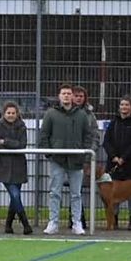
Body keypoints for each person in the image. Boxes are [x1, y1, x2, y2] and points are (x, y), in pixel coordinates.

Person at [38, 83, 93, 236]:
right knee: (54, 192)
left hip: (76, 160)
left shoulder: (81, 115)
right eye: (64, 93)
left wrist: (84, 155)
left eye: (69, 93)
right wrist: (49, 153)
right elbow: (44, 135)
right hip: (57, 160)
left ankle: (77, 223)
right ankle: (53, 222)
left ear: (73, 96)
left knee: (76, 194)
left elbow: (88, 136)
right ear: (59, 96)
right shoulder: (51, 114)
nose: (67, 96)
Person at [102, 96, 131, 230]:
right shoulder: (113, 123)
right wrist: (114, 156)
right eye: (122, 105)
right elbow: (106, 142)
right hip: (114, 164)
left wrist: (124, 158)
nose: (124, 107)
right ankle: (114, 219)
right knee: (113, 193)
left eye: (127, 105)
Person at [0, 101, 32, 235]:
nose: (11, 115)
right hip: (3, 165)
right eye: (8, 113)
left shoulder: (22, 126)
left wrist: (6, 142)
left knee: (15, 196)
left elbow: (22, 145)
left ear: (17, 114)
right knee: (15, 194)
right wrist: (9, 144)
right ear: (4, 113)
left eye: (13, 113)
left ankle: (8, 225)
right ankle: (25, 223)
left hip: (18, 165)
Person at [70, 86, 99, 230]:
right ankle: (73, 218)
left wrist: (89, 155)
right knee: (65, 188)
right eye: (76, 95)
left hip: (83, 157)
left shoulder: (90, 115)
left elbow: (95, 136)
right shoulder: (64, 113)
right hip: (66, 156)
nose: (78, 98)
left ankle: (79, 219)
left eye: (81, 96)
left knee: (77, 189)